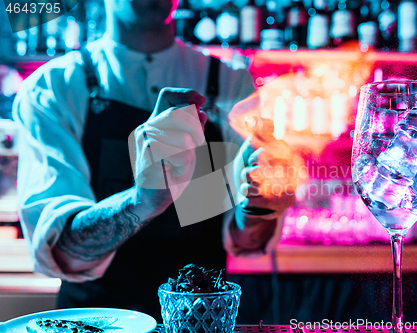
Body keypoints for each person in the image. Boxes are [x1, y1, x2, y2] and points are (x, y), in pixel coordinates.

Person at [13, 0, 295, 321]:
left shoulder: (231, 84)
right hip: (97, 322)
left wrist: (260, 204)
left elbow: (244, 239)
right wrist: (143, 201)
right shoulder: (54, 89)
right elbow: (65, 253)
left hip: (199, 321)